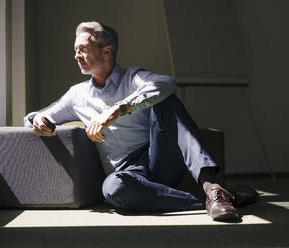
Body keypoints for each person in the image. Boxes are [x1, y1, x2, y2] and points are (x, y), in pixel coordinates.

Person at [24, 21, 239, 221]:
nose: (76, 55)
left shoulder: (134, 77)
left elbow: (166, 83)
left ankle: (213, 187)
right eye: (75, 50)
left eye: (82, 49)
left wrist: (118, 109)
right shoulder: (77, 95)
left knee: (167, 101)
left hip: (159, 160)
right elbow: (36, 116)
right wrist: (39, 119)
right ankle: (215, 200)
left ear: (106, 51)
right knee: (113, 189)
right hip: (128, 174)